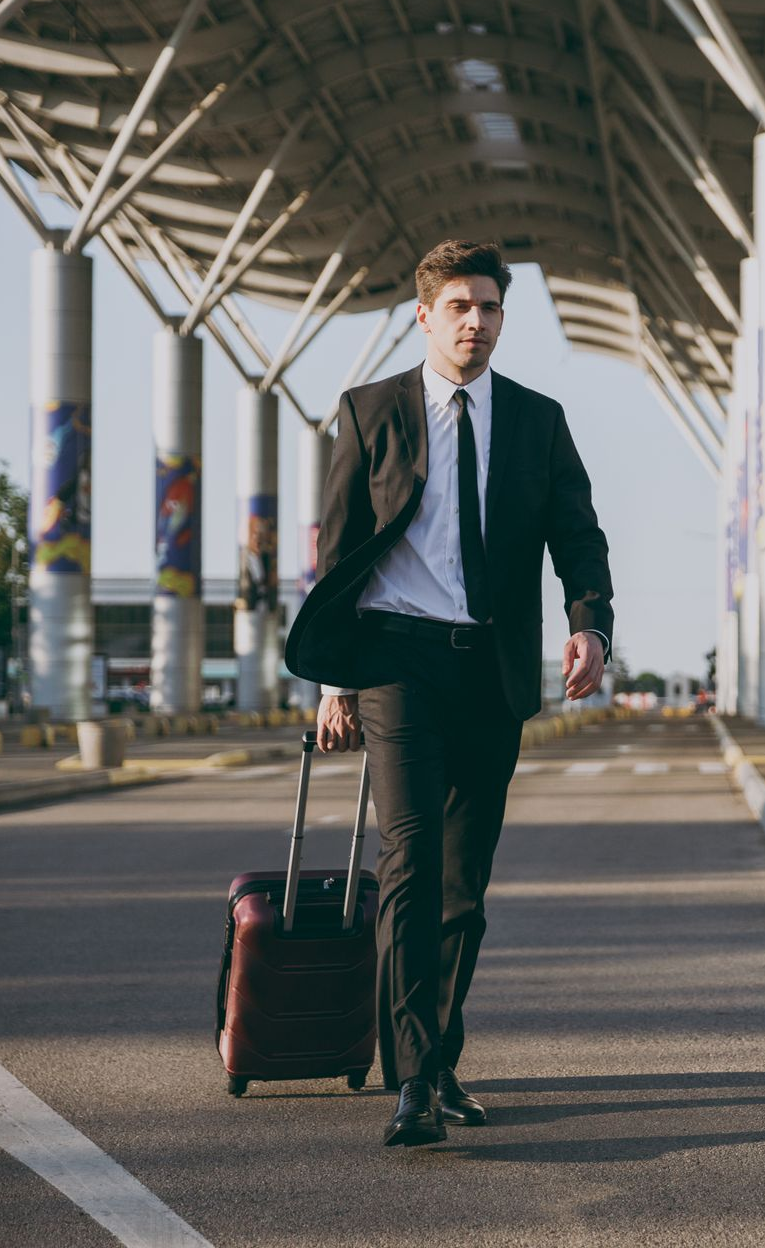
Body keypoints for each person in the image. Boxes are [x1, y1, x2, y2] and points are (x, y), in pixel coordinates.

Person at [285, 239, 614, 1148]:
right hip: (395, 662)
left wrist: (589, 625)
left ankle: (440, 1061)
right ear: (425, 316)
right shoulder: (371, 411)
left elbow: (579, 536)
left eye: (491, 307)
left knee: (464, 887)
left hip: (491, 666)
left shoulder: (539, 422)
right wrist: (335, 679)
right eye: (460, 307)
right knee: (411, 861)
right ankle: (414, 1080)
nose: (476, 322)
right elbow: (340, 549)